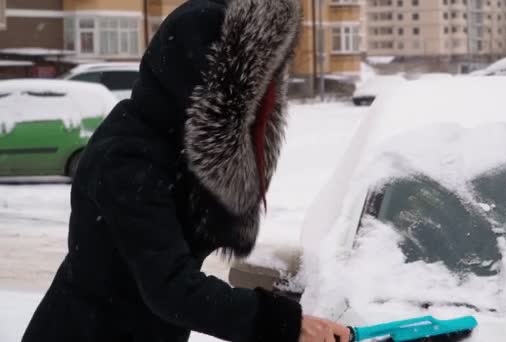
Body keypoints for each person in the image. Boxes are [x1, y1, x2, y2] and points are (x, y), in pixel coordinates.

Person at [22, 0, 350, 341]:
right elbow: (172, 286)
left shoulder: (180, 148)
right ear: (203, 83)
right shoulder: (127, 158)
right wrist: (285, 323)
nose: (256, 103)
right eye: (245, 89)